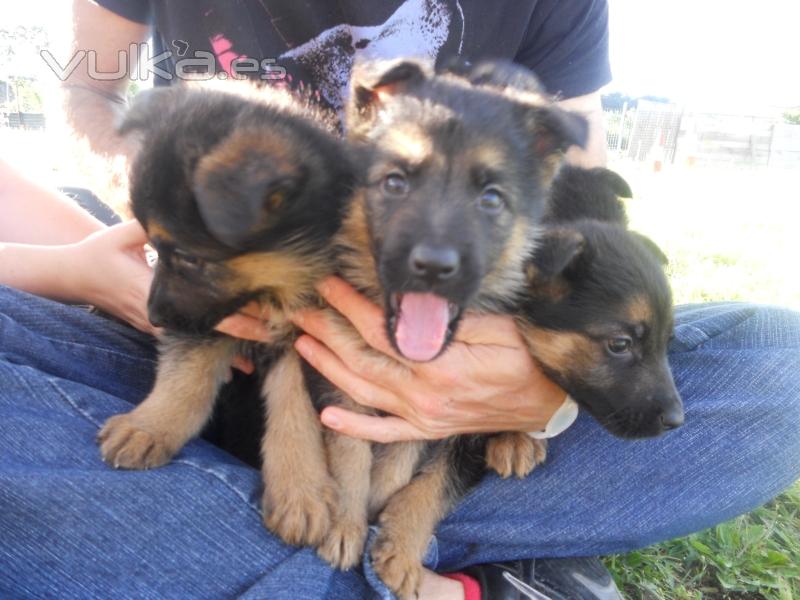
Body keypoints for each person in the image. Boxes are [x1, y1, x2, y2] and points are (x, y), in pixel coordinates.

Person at [1, 2, 799, 600]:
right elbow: (89, 90)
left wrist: (540, 393)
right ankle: (459, 569)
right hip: (158, 280)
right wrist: (154, 212)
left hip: (472, 334)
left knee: (780, 368)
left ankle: (255, 543)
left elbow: (584, 206)